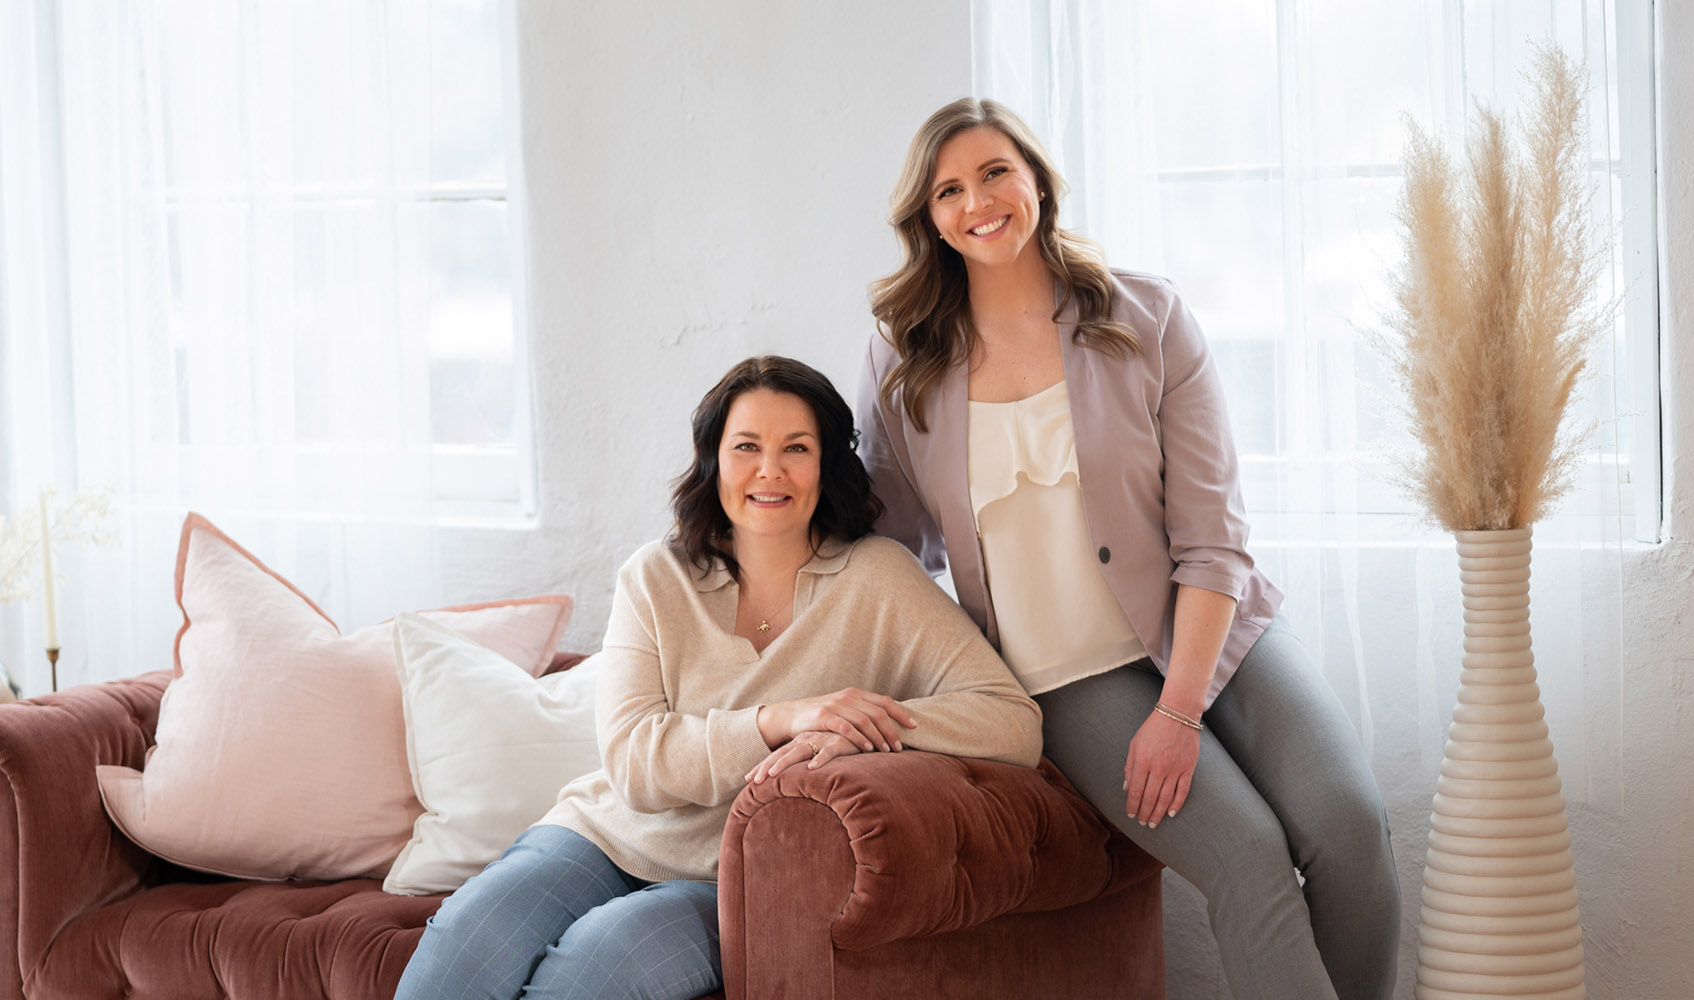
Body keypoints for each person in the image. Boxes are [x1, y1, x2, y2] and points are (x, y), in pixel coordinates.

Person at [858, 97, 1399, 1000]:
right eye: (948, 189)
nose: (978, 201)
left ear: (1036, 178)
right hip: (1069, 679)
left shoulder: (1144, 316)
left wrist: (1181, 712)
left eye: (995, 172)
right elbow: (887, 547)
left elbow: (1215, 541)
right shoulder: (902, 356)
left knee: (1351, 827)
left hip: (1215, 628)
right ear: (928, 217)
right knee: (1251, 865)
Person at [396, 355, 1042, 1000]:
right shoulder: (655, 577)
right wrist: (782, 719)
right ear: (713, 459)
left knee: (592, 969)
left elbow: (1012, 720)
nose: (770, 470)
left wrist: (863, 727)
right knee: (466, 940)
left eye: (797, 447)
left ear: (827, 464)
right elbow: (633, 764)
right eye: (747, 447)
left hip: (729, 875)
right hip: (599, 835)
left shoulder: (880, 578)